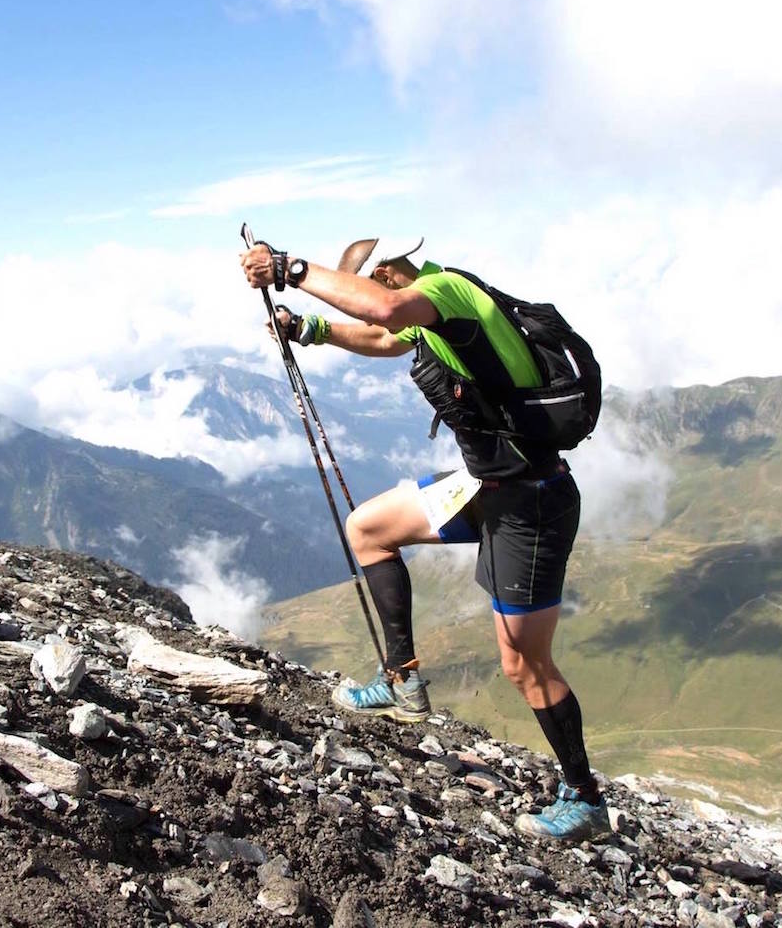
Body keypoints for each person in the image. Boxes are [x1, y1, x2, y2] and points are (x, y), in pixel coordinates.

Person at [240, 237, 610, 842]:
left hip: (531, 504)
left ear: (389, 269)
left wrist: (290, 271)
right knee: (367, 529)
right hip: (485, 486)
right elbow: (387, 338)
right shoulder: (436, 309)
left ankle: (584, 796)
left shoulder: (447, 292)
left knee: (524, 664)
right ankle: (401, 680)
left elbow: (382, 314)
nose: (368, 284)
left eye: (367, 274)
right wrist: (308, 328)